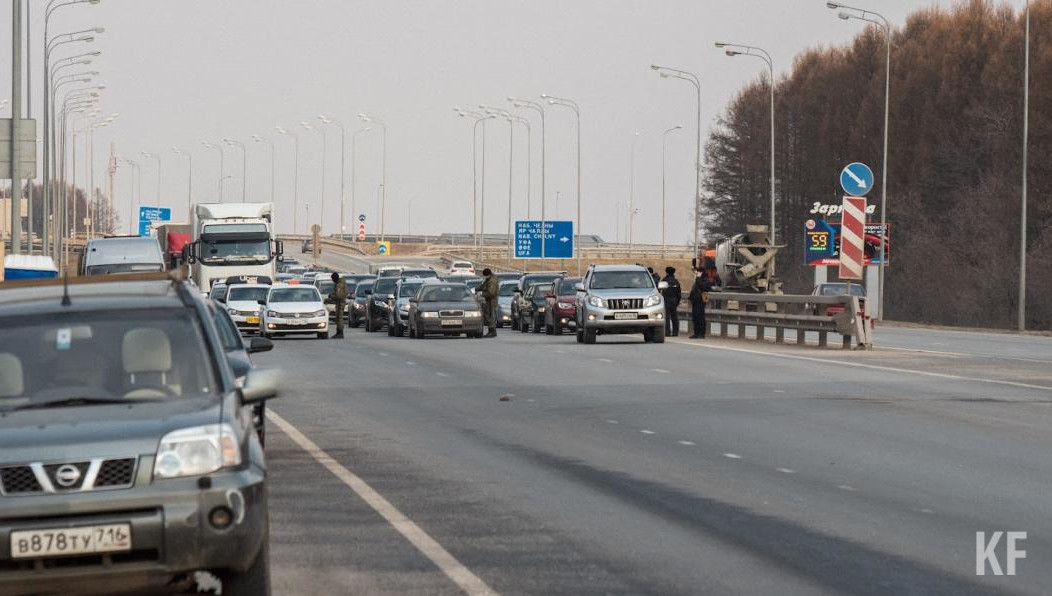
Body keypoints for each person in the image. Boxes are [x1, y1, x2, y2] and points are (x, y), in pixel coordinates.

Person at [688, 268, 713, 339]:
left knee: (700, 317)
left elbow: (703, 287)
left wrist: (698, 278)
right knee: (695, 317)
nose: (697, 273)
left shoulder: (705, 280)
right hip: (695, 301)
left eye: (698, 272)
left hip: (700, 301)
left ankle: (701, 333)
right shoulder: (697, 280)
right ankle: (696, 333)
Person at [661, 266, 682, 337]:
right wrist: (678, 301)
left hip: (666, 299)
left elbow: (660, 291)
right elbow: (679, 293)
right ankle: (675, 332)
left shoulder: (664, 280)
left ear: (666, 272)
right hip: (674, 300)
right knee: (674, 316)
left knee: (667, 316)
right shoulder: (676, 281)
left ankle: (667, 332)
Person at [478, 268, 500, 337]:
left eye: (485, 276)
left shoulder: (492, 281)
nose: (484, 277)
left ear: (488, 275)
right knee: (489, 316)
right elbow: (483, 286)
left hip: (492, 301)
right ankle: (491, 331)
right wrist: (477, 289)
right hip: (489, 300)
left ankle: (492, 332)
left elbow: (491, 293)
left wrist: (482, 294)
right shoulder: (489, 279)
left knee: (491, 316)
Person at [328, 272, 348, 338]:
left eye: (332, 279)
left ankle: (340, 333)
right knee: (338, 318)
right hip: (339, 302)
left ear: (335, 278)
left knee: (339, 318)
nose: (332, 281)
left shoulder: (339, 285)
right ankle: (338, 332)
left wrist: (331, 296)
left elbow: (338, 296)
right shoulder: (339, 284)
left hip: (340, 303)